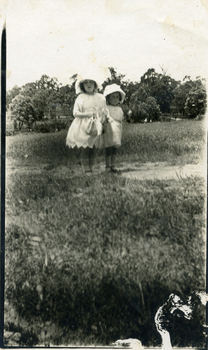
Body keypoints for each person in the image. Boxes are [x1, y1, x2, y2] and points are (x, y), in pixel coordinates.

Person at [66, 74, 107, 174]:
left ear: (95, 84)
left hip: (95, 125)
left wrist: (102, 121)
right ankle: (86, 169)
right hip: (83, 126)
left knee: (92, 147)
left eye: (91, 82)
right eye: (86, 82)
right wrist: (87, 114)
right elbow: (75, 113)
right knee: (85, 147)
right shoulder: (81, 97)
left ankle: (91, 167)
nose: (88, 84)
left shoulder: (100, 97)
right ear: (82, 85)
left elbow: (103, 111)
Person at [103, 83, 125, 172]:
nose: (115, 99)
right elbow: (107, 116)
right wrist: (109, 119)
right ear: (108, 98)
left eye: (117, 97)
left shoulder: (119, 109)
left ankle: (113, 165)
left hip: (117, 129)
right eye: (113, 97)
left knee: (115, 147)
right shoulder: (107, 108)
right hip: (110, 129)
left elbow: (121, 118)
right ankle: (107, 166)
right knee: (108, 147)